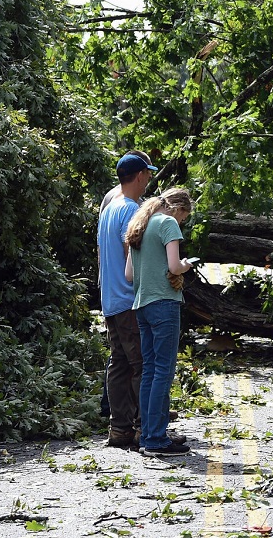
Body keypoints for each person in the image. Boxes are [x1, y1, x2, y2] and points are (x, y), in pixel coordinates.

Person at [125, 188, 196, 457]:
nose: (181, 224)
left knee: (150, 371)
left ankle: (149, 435)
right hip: (164, 303)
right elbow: (174, 266)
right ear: (178, 210)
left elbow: (129, 275)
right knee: (163, 372)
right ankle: (156, 438)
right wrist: (187, 264)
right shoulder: (167, 223)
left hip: (141, 304)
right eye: (183, 219)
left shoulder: (140, 224)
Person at [98, 153, 157, 448]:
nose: (149, 180)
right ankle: (145, 428)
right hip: (127, 299)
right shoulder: (132, 209)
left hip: (109, 298)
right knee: (142, 365)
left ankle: (119, 430)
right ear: (139, 175)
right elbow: (130, 256)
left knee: (119, 364)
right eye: (147, 174)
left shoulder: (110, 207)